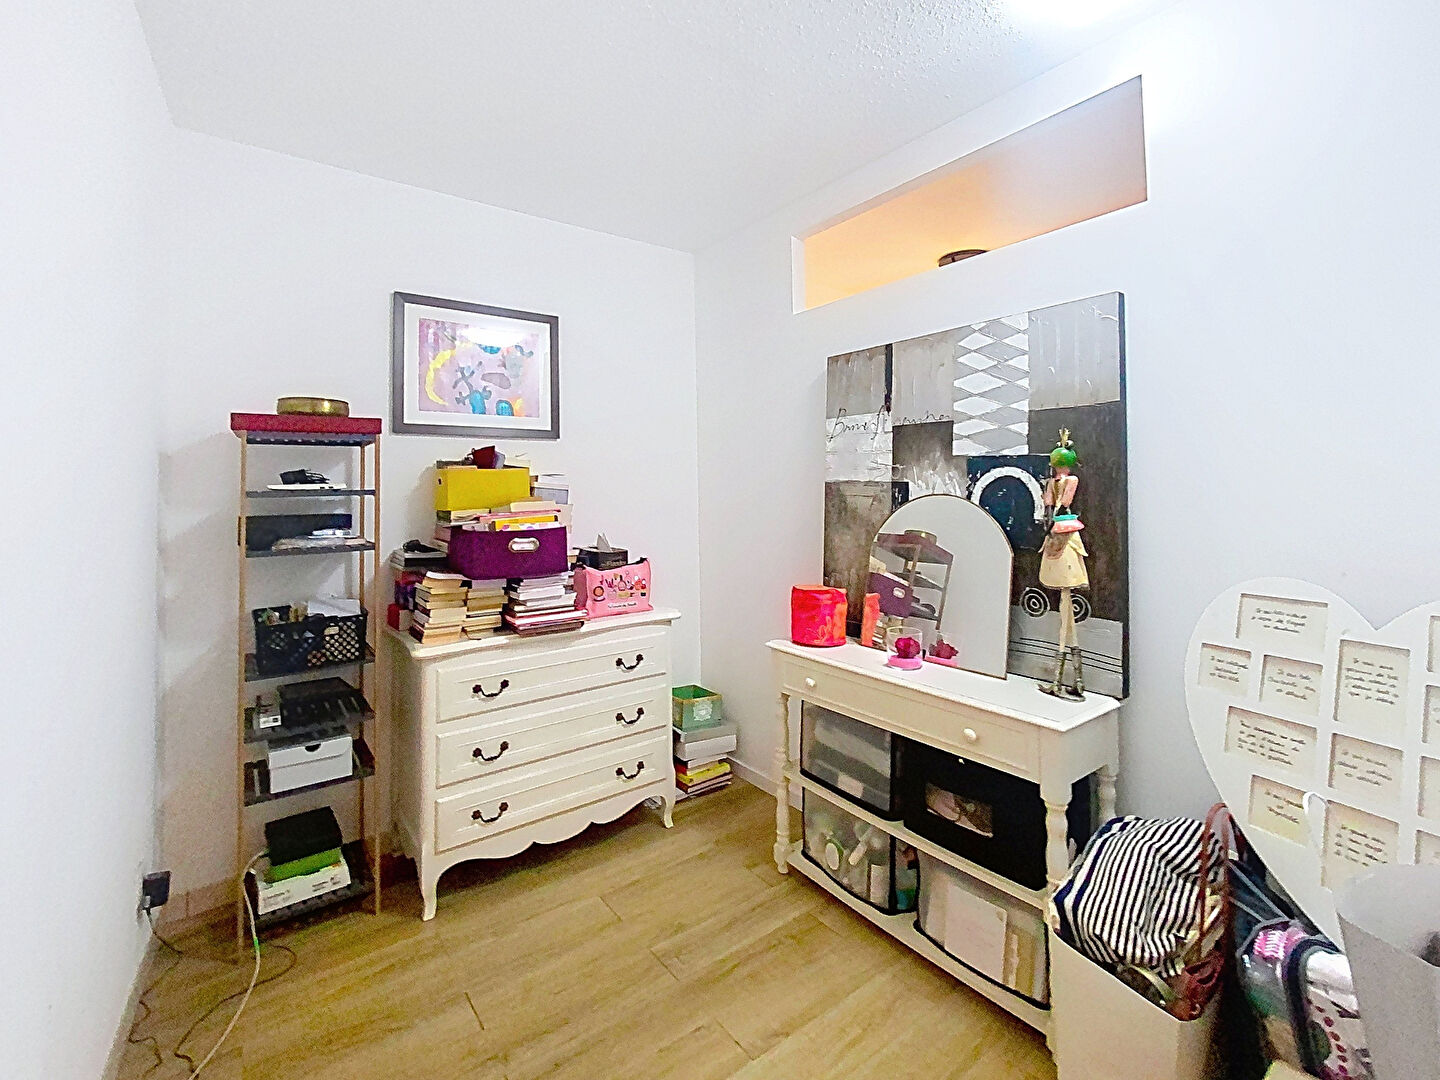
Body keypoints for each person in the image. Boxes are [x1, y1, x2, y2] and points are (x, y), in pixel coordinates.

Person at [1039, 429, 1088, 699]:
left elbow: (1055, 506)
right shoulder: (1063, 482)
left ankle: (1064, 680)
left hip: (1060, 534)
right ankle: (1074, 679)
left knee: (1065, 609)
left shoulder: (1058, 482)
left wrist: (1050, 524)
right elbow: (1057, 504)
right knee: (1065, 610)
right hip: (1060, 534)